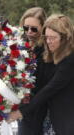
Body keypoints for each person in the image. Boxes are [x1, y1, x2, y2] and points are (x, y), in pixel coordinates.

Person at [8, 14, 74, 135]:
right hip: (49, 120)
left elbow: (49, 89)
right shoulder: (50, 54)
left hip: (66, 122)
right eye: (46, 37)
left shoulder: (70, 60)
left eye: (53, 38)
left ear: (65, 37)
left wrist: (21, 112)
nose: (48, 41)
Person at [17, 7, 55, 135]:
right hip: (24, 111)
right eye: (26, 28)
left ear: (43, 28)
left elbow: (44, 86)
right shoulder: (19, 46)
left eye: (34, 29)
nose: (29, 32)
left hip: (41, 111)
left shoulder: (47, 51)